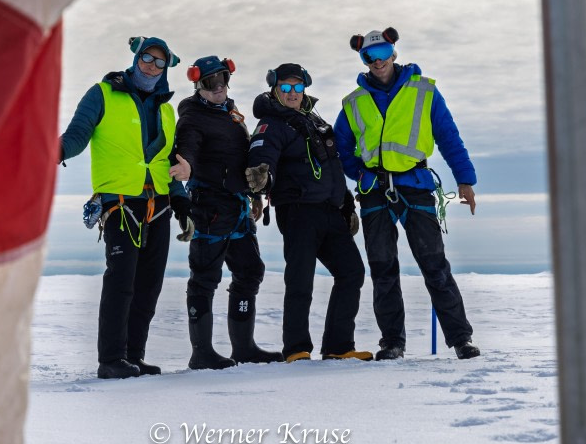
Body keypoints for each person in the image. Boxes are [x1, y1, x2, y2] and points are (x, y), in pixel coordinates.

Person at [334, 27, 481, 361]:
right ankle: (392, 342)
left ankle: (461, 339)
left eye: (383, 52)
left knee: (435, 266)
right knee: (383, 269)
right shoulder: (354, 103)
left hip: (415, 186)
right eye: (370, 56)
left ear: (394, 52)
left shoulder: (424, 90)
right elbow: (342, 148)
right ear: (363, 58)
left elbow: (449, 137)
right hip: (374, 192)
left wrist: (465, 180)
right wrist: (360, 173)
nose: (378, 61)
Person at [59, 36, 191, 379]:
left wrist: (182, 202)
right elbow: (77, 136)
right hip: (120, 203)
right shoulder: (102, 94)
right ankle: (112, 359)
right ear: (136, 57)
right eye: (147, 57)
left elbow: (167, 162)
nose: (151, 65)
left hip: (158, 203)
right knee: (122, 281)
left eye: (160, 62)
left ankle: (134, 355)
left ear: (166, 69)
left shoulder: (165, 108)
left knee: (149, 285)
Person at [245, 63, 371, 363]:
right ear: (275, 89)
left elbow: (333, 166)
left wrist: (347, 205)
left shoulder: (314, 121)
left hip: (329, 211)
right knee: (301, 279)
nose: (292, 93)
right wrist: (262, 176)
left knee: (352, 272)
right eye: (286, 87)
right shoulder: (272, 123)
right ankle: (297, 349)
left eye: (297, 87)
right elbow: (263, 155)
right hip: (298, 211)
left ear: (305, 89)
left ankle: (339, 347)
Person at [168, 56, 283, 369]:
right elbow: (187, 146)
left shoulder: (231, 113)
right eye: (210, 82)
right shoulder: (193, 118)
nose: (218, 87)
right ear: (198, 84)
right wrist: (186, 165)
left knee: (250, 271)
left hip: (237, 206)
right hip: (209, 209)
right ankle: (201, 352)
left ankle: (244, 347)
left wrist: (254, 195)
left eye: (222, 79)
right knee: (204, 280)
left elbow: (240, 157)